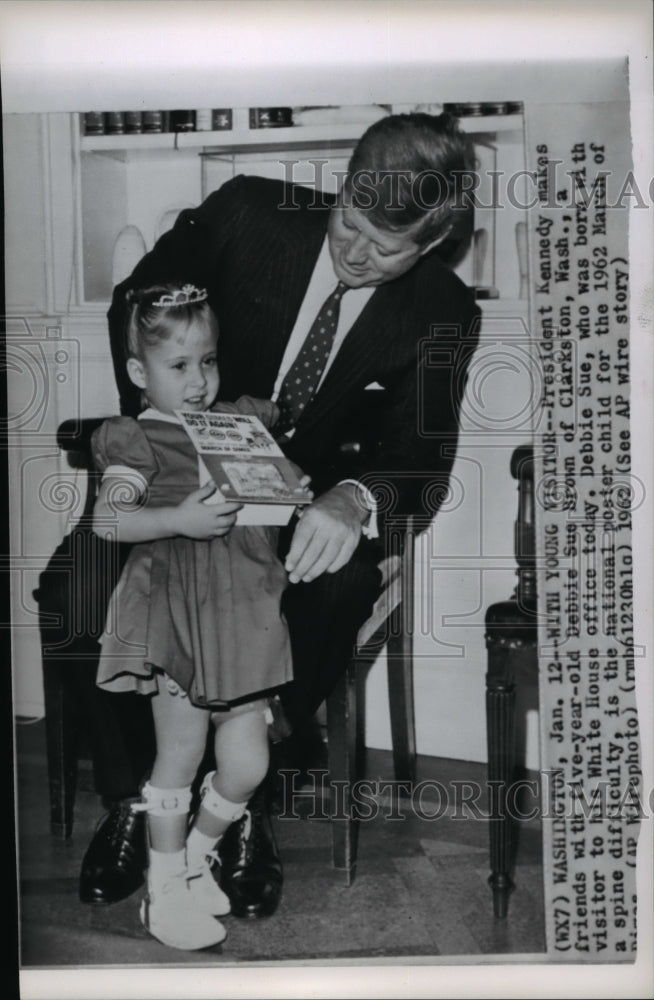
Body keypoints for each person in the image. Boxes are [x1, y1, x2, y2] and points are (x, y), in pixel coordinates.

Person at [79, 111, 482, 920]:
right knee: (80, 580)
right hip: (176, 474)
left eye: (386, 247)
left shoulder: (444, 310)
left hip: (307, 506)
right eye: (349, 222)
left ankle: (241, 801)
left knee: (336, 587)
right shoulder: (247, 210)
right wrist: (172, 428)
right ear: (341, 188)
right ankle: (134, 800)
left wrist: (355, 497)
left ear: (433, 245)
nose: (355, 251)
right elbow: (137, 298)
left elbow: (420, 458)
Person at [89, 282, 303, 949]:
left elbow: (282, 469)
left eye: (207, 361)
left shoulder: (238, 421)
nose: (198, 380)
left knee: (248, 765)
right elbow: (109, 518)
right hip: (176, 612)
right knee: (179, 753)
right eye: (178, 366)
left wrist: (287, 485)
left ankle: (193, 856)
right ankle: (162, 890)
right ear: (138, 374)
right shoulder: (137, 439)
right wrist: (177, 518)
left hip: (243, 612)